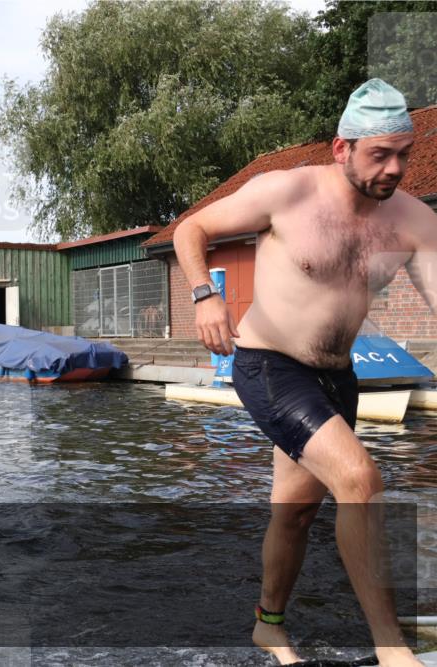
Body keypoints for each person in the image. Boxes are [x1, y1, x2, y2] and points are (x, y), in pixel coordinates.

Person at [173, 79, 435, 667]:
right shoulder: (286, 191)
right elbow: (191, 230)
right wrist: (202, 295)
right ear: (343, 148)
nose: (394, 168)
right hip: (269, 366)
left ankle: (268, 625)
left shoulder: (413, 221)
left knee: (294, 513)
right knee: (361, 481)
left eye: (404, 154)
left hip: (338, 379)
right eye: (379, 154)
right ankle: (393, 652)